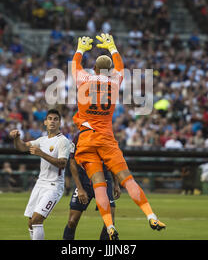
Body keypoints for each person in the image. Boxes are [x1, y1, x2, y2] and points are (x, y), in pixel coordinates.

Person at [71, 34, 165, 240]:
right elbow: (120, 68)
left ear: (94, 69)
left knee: (99, 186)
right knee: (127, 179)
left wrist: (80, 49)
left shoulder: (84, 79)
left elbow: (75, 67)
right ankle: (151, 215)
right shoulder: (114, 82)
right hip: (106, 137)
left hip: (86, 140)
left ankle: (109, 226)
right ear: (109, 70)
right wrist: (113, 48)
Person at [9, 109, 71, 240]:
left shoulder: (62, 141)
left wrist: (41, 153)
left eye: (55, 119)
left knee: (37, 220)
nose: (52, 121)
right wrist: (16, 138)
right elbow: (22, 147)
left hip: (54, 186)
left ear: (60, 123)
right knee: (31, 222)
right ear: (45, 122)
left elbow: (62, 163)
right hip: (40, 184)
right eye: (50, 119)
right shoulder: (42, 140)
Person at [63, 133, 121, 240]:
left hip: (104, 181)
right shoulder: (78, 137)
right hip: (84, 182)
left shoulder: (107, 136)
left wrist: (116, 184)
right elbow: (72, 163)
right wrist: (79, 188)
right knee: (72, 221)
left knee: (109, 222)